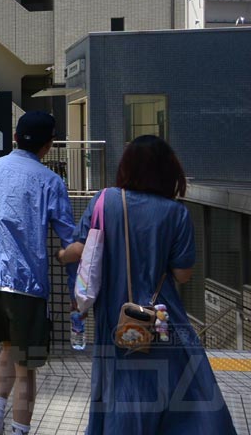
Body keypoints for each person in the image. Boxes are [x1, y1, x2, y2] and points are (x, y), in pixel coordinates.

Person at [58, 136, 237, 434]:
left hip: (116, 319)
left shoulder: (105, 200)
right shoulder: (176, 213)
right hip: (161, 320)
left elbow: (82, 249)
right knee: (183, 392)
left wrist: (61, 255)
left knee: (120, 391)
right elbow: (182, 275)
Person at [0, 112, 78, 435]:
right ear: (48, 145)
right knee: (28, 367)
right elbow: (70, 241)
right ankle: (18, 431)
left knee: (8, 349)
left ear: (15, 137)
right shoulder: (51, 181)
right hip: (27, 284)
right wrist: (75, 291)